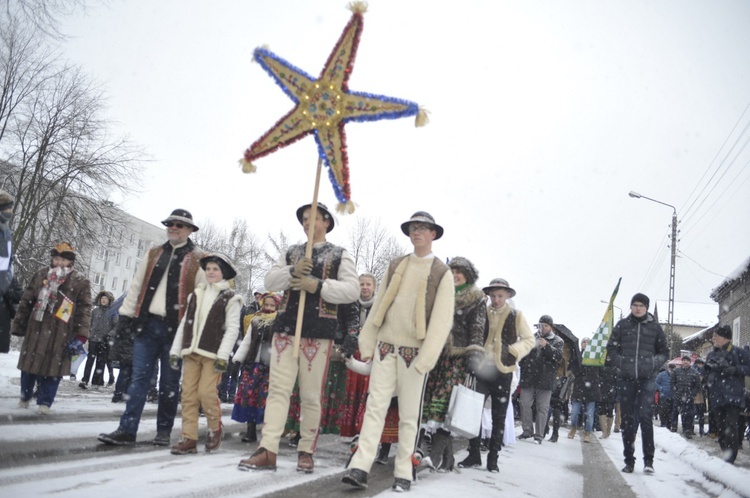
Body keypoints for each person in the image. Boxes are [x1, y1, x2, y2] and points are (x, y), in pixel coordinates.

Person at [239, 202, 359, 473]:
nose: (307, 223)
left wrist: (317, 285)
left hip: (318, 333)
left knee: (310, 395)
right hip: (285, 329)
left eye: (313, 218)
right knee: (278, 391)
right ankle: (268, 449)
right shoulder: (291, 252)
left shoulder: (339, 255)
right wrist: (292, 272)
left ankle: (306, 450)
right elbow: (270, 282)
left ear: (327, 222)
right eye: (304, 219)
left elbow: (352, 290)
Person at [342, 211, 454, 492]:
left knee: (408, 414)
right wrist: (367, 342)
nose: (417, 232)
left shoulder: (442, 272)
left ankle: (404, 471)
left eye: (423, 228)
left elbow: (441, 320)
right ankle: (359, 466)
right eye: (413, 228)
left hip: (415, 353)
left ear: (433, 234)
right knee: (374, 408)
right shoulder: (395, 265)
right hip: (385, 347)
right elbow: (379, 303)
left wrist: (427, 358)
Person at [98, 209, 206, 446]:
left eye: (179, 224)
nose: (173, 227)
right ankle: (127, 430)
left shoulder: (199, 260)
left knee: (169, 383)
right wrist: (125, 319)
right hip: (146, 326)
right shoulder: (153, 253)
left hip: (176, 331)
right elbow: (135, 288)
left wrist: (194, 332)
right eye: (170, 223)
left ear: (190, 230)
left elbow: (201, 299)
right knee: (139, 380)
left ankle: (164, 431)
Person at [168, 253, 242, 455]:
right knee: (188, 395)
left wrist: (223, 356)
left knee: (206, 393)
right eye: (208, 269)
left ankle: (214, 427)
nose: (210, 272)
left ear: (223, 273)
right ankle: (189, 438)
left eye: (215, 269)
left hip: (213, 354)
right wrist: (176, 350)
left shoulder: (231, 298)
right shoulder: (195, 295)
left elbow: (232, 329)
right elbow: (185, 324)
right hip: (191, 352)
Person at [458, 277, 534, 472]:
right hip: (482, 369)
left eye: (500, 295)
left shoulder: (516, 315)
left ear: (507, 295)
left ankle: (493, 458)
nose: (496, 299)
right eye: (493, 295)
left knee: (498, 416)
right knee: (473, 412)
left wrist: (514, 351)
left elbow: (529, 340)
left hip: (503, 371)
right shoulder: (481, 312)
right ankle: (474, 453)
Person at [420, 256, 486, 472]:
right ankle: (447, 460)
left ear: (468, 276)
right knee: (430, 400)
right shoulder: (442, 294)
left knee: (446, 401)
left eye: (460, 272)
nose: (455, 275)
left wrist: (473, 357)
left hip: (459, 357)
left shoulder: (476, 299)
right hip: (437, 354)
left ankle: (436, 455)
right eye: (453, 271)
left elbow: (477, 328)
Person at [12, 242, 92, 413]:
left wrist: (80, 336)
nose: (59, 263)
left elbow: (84, 310)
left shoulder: (80, 281)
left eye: (63, 260)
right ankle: (25, 396)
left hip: (61, 332)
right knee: (29, 366)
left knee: (52, 370)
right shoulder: (41, 274)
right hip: (37, 327)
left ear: (70, 261)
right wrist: (20, 324)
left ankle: (45, 402)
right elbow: (27, 301)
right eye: (56, 258)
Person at [606, 292, 668, 474]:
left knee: (645, 418)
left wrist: (652, 364)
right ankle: (629, 460)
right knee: (627, 420)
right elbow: (611, 348)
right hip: (626, 379)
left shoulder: (655, 328)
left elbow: (664, 352)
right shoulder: (622, 325)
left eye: (641, 305)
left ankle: (649, 460)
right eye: (635, 305)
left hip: (647, 379)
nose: (637, 308)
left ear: (646, 308)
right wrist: (621, 362)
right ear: (631, 307)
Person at [232, 292, 282, 443]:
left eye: (272, 305)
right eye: (266, 305)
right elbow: (247, 341)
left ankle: (268, 432)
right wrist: (238, 358)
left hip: (270, 366)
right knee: (249, 395)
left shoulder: (279, 322)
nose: (268, 308)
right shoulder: (255, 320)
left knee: (265, 398)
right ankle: (250, 430)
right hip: (252, 364)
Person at [340, 274, 378, 441]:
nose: (364, 287)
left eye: (368, 284)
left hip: (370, 352)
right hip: (353, 351)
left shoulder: (379, 306)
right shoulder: (351, 305)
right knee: (351, 390)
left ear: (374, 288)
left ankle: (362, 427)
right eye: (361, 284)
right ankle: (349, 428)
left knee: (366, 390)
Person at [704, 324, 750, 464]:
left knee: (731, 427)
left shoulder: (739, 352)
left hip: (733, 396)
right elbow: (707, 373)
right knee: (722, 429)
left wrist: (734, 369)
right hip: (717, 396)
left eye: (715, 336)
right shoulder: (712, 354)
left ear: (724, 338)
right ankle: (726, 452)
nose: (713, 339)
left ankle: (730, 457)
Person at [517, 315, 564, 444]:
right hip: (530, 377)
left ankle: (539, 434)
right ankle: (527, 430)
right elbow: (524, 356)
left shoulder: (558, 340)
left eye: (546, 325)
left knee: (542, 408)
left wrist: (547, 346)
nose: (542, 328)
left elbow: (558, 356)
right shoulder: (532, 337)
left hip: (545, 380)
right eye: (541, 325)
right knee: (524, 403)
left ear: (551, 327)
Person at [79, 291, 117, 389]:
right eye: (102, 298)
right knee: (89, 360)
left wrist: (110, 335)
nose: (103, 300)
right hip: (94, 339)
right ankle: (85, 380)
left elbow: (116, 325)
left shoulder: (112, 312)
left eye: (105, 298)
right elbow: (90, 324)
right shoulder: (95, 311)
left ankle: (97, 381)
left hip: (105, 340)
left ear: (109, 300)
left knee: (101, 362)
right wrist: (90, 333)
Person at [567, 337, 600, 443]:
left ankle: (587, 433)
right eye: (584, 342)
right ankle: (573, 427)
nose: (586, 344)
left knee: (590, 414)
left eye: (588, 342)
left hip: (592, 388)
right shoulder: (577, 356)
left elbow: (600, 371)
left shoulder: (596, 357)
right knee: (574, 412)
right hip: (579, 387)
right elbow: (573, 368)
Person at [0, 189, 21, 354]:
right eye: (7, 208)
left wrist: (9, 284)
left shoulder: (6, 231)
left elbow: (6, 263)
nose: (10, 212)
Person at [671, 355, 700, 438]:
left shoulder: (694, 372)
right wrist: (675, 392)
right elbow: (672, 383)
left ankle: (687, 429)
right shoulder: (676, 371)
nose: (685, 362)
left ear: (690, 362)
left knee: (688, 414)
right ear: (682, 362)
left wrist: (692, 394)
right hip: (678, 395)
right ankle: (673, 427)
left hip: (689, 396)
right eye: (684, 360)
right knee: (675, 412)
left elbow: (697, 385)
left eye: (687, 360)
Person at [692, 358, 707, 436]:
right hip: (696, 395)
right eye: (700, 364)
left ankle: (699, 429)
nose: (701, 365)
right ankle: (694, 429)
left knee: (698, 413)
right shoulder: (695, 371)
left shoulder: (702, 371)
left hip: (699, 395)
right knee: (695, 413)